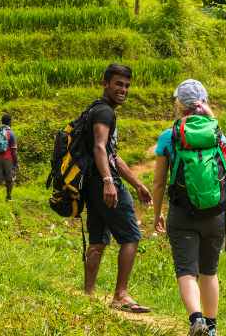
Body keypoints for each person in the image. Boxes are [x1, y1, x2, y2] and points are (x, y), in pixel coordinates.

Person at [152, 79, 226, 336]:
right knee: (209, 272)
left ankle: (196, 319)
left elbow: (158, 183)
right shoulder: (217, 135)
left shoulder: (170, 136)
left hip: (181, 214)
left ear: (179, 105)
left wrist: (157, 214)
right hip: (215, 215)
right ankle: (211, 329)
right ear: (205, 102)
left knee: (186, 271)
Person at [83, 63, 153, 313]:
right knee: (131, 236)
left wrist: (137, 184)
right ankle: (120, 295)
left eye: (126, 85)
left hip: (92, 184)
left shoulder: (96, 109)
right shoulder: (105, 113)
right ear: (105, 83)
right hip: (104, 183)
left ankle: (88, 294)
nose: (123, 89)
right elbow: (100, 148)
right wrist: (108, 182)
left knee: (98, 240)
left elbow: (113, 154)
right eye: (118, 84)